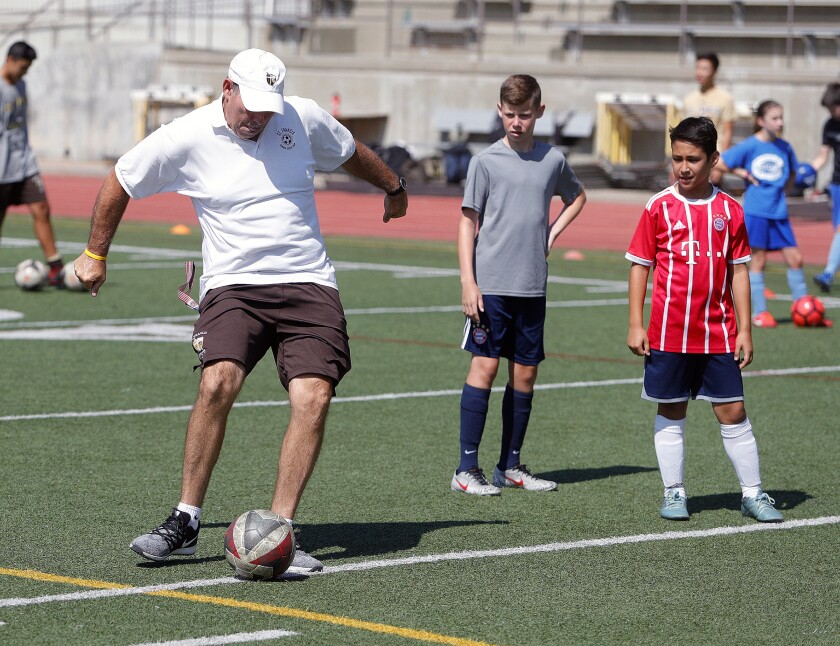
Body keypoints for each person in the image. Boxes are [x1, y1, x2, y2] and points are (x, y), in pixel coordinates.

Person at [74, 49, 408, 572]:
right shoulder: (186, 135)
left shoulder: (300, 116)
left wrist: (393, 186)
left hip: (308, 282)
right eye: (249, 105)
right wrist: (95, 254)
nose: (258, 118)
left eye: (267, 108)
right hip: (235, 285)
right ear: (226, 89)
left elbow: (349, 151)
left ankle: (280, 531)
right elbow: (120, 179)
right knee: (218, 382)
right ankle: (184, 521)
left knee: (313, 395)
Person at [626, 116, 783, 523]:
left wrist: (745, 329)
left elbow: (740, 271)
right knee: (671, 409)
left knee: (732, 411)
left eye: (693, 159)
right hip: (667, 332)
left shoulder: (730, 210)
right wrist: (635, 322)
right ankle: (674, 492)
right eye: (676, 158)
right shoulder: (658, 206)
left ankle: (753, 494)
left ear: (714, 159)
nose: (683, 167)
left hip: (717, 333)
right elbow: (640, 266)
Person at [452, 74, 586, 496]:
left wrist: (551, 234)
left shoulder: (553, 160)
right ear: (499, 111)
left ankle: (510, 466)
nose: (516, 122)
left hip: (532, 285)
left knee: (525, 375)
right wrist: (468, 282)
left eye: (524, 115)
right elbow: (466, 223)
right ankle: (465, 469)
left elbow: (577, 197)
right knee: (486, 367)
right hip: (490, 284)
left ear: (539, 112)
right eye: (509, 114)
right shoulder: (485, 161)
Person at [718, 99, 820, 328]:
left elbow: (793, 172)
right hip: (756, 212)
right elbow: (721, 162)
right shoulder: (750, 145)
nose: (780, 122)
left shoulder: (785, 147)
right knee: (759, 261)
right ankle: (760, 313)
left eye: (781, 117)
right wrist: (743, 172)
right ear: (761, 121)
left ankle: (802, 307)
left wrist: (786, 188)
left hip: (779, 212)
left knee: (795, 259)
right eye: (775, 118)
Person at [0, 41, 63, 286]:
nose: (25, 73)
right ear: (11, 60)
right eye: (23, 67)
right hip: (2, 168)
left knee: (42, 208)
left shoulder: (22, 85)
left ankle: (55, 267)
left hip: (24, 163)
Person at [678, 52, 736, 186]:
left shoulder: (725, 98)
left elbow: (727, 133)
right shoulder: (688, 99)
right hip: (690, 161)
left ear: (714, 71)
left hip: (712, 161)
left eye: (705, 69)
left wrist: (720, 166)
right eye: (698, 68)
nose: (700, 73)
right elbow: (682, 133)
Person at [809, 83, 840, 293]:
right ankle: (828, 273)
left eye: (832, 107)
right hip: (837, 183)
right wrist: (806, 171)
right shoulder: (830, 125)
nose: (830, 112)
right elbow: (822, 156)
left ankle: (828, 273)